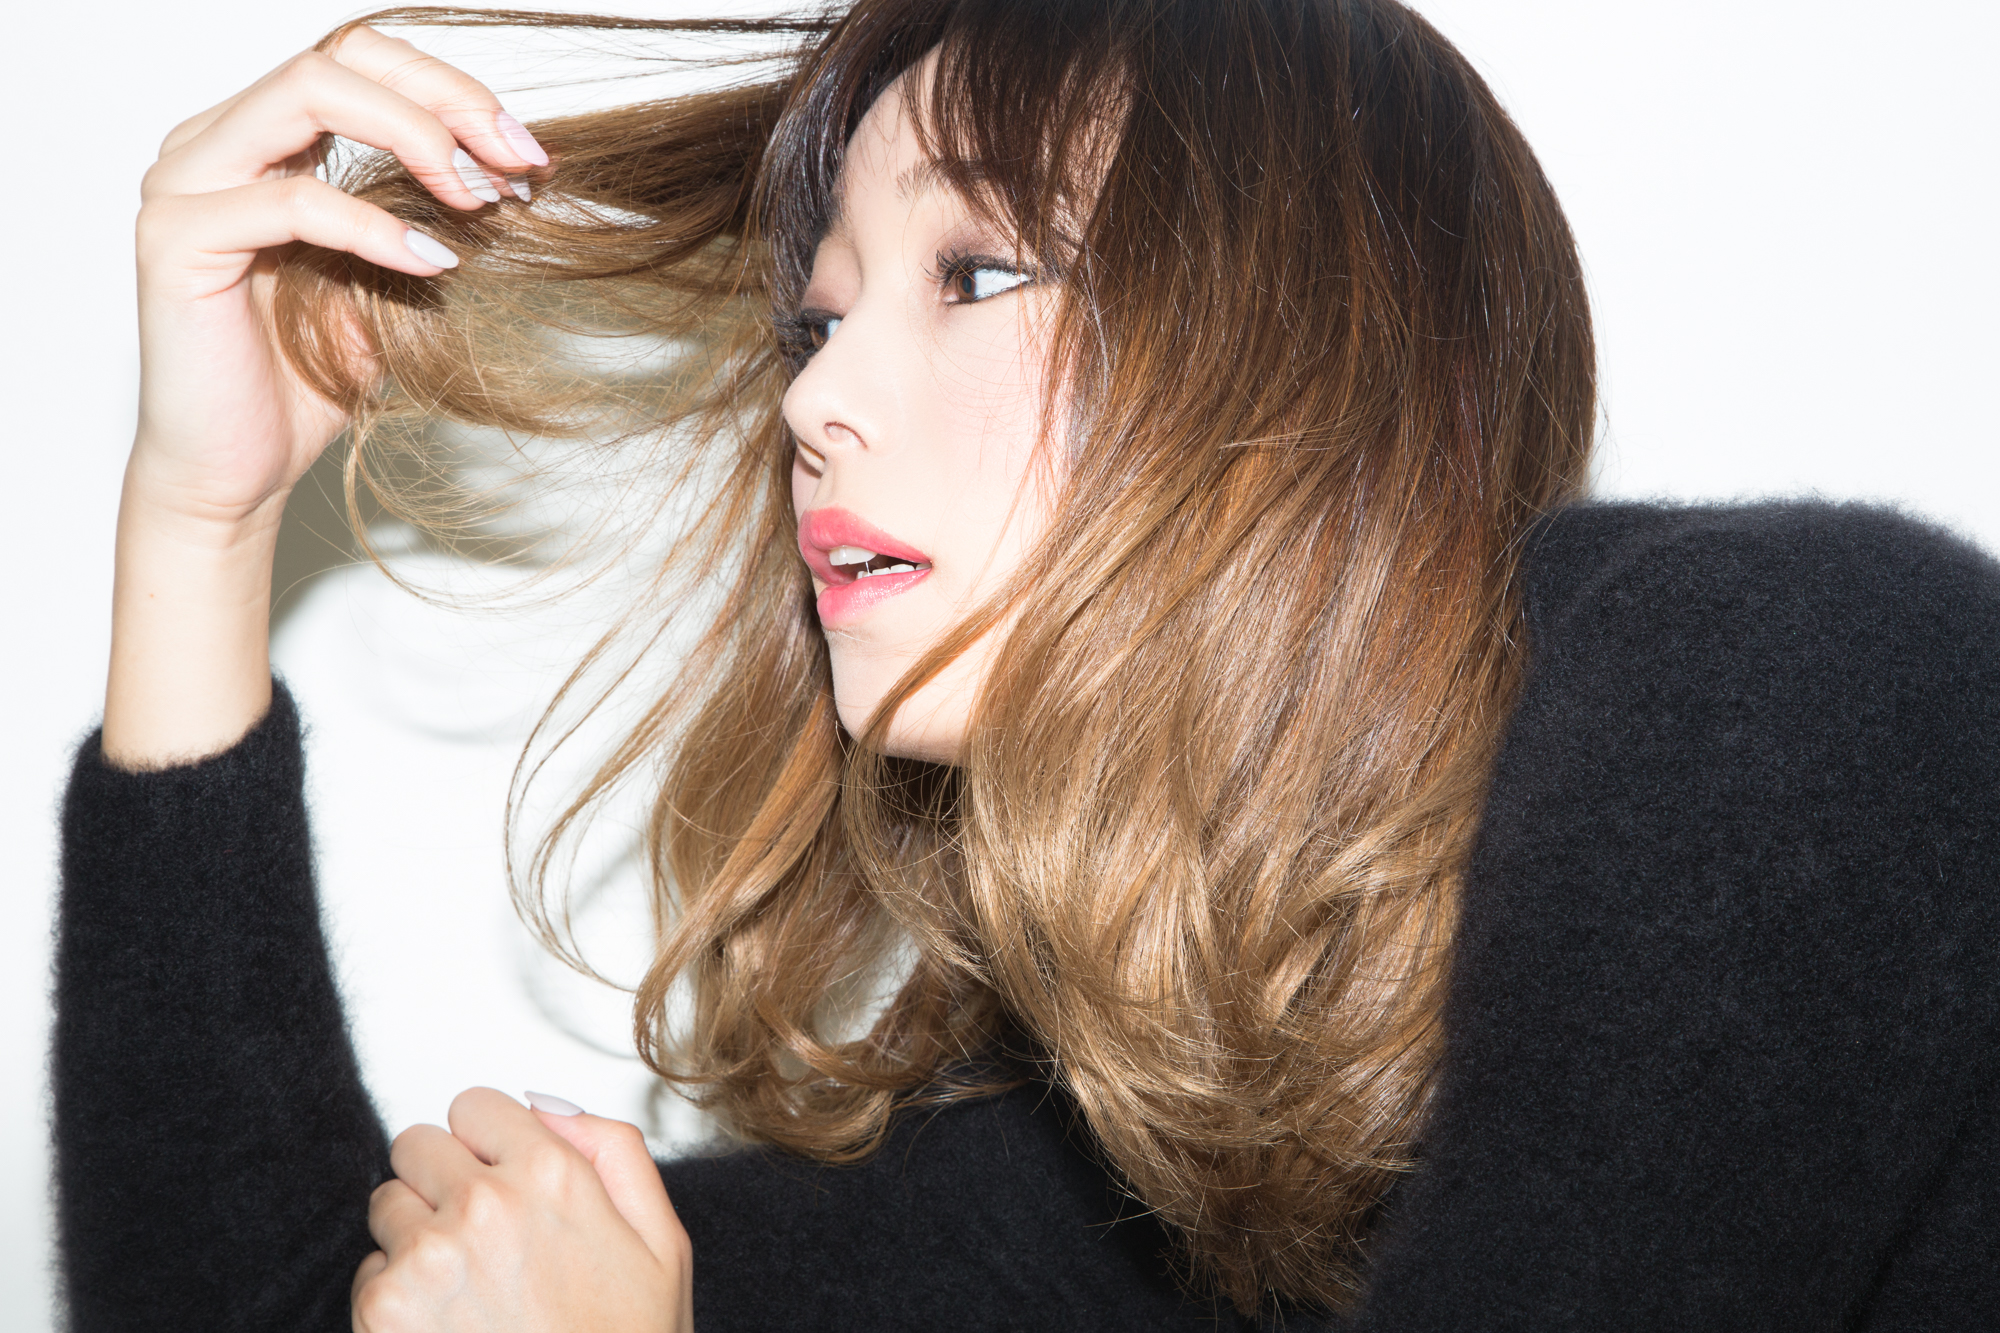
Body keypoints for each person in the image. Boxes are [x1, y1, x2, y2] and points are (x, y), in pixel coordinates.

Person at [53, 0, 2000, 1329]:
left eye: (974, 272)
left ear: (1296, 329)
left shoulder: (1784, 686)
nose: (814, 403)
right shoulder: (1130, 1165)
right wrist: (200, 522)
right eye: (817, 323)